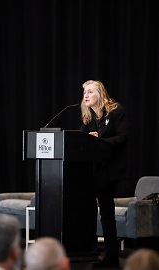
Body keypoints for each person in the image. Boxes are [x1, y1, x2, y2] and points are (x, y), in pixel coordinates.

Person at [80, 80, 130, 268]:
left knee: (104, 211)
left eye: (90, 91)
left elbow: (123, 137)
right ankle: (106, 254)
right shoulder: (88, 117)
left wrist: (100, 140)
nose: (85, 95)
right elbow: (80, 140)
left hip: (112, 168)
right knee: (103, 212)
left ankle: (109, 255)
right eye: (84, 92)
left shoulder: (117, 112)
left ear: (100, 94)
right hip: (96, 169)